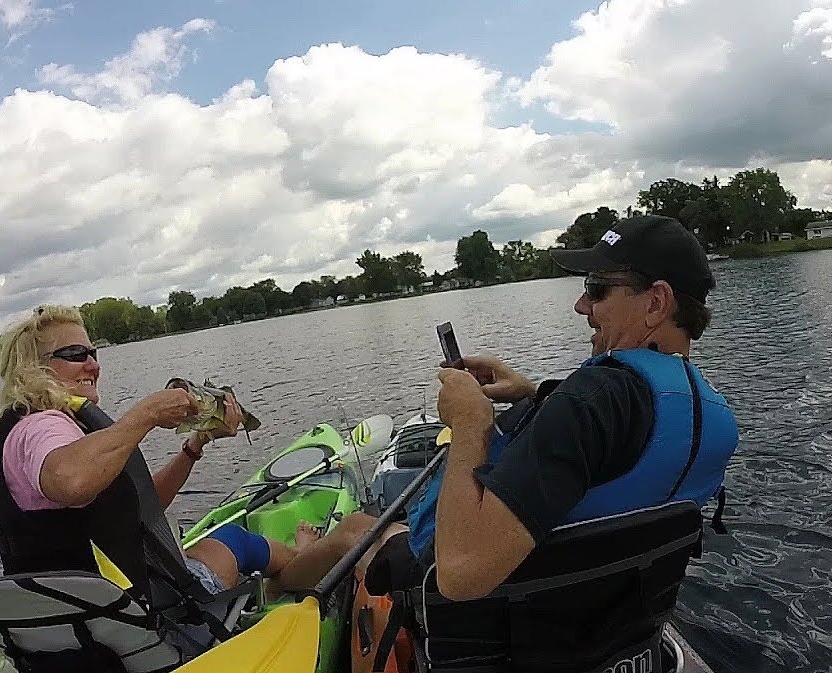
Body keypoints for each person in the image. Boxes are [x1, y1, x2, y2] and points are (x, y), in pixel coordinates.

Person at [277, 213, 740, 603]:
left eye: (597, 288)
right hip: (603, 607)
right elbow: (618, 456)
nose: (581, 305)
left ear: (656, 303)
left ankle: (282, 578)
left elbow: (459, 575)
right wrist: (531, 397)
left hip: (497, 610)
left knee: (357, 528)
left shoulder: (589, 404)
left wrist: (469, 423)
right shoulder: (712, 413)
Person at [0, 304, 314, 596]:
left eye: (94, 354)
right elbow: (70, 481)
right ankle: (304, 561)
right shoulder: (41, 427)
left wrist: (196, 444)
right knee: (237, 541)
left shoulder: (41, 430)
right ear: (34, 367)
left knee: (204, 550)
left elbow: (140, 508)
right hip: (130, 623)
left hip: (85, 614)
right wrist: (149, 413)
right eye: (76, 354)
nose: (94, 365)